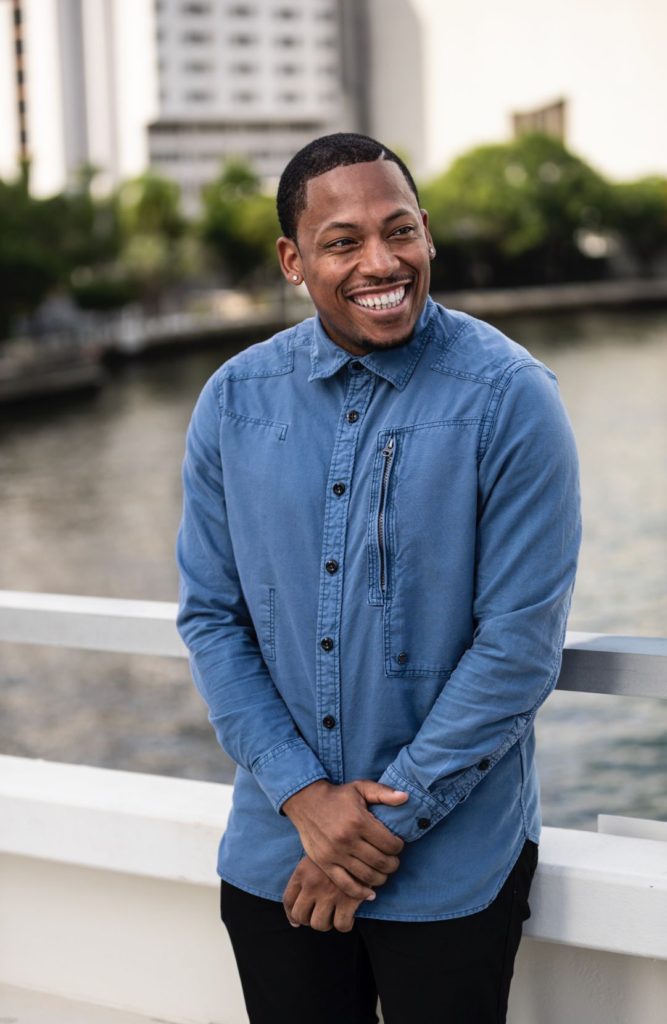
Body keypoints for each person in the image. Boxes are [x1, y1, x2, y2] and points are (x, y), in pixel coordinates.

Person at [176, 132, 581, 1024]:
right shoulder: (233, 402)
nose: (381, 262)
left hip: (453, 874)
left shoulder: (512, 397)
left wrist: (370, 833)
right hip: (275, 853)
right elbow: (212, 617)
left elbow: (517, 647)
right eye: (343, 241)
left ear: (428, 235)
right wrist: (304, 797)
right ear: (293, 259)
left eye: (400, 232)